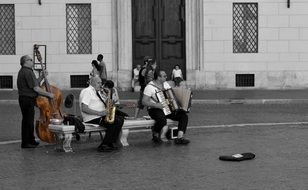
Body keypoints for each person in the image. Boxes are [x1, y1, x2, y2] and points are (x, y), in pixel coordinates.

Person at [142, 70, 190, 145]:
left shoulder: (166, 84)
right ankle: (155, 133)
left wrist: (180, 103)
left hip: (167, 108)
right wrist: (156, 105)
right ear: (158, 77)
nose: (166, 77)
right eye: (164, 76)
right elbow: (144, 102)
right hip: (154, 109)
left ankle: (179, 137)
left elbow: (171, 96)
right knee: (162, 120)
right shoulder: (149, 87)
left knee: (183, 115)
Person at [17, 55, 55, 148]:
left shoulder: (25, 71)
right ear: (25, 61)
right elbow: (36, 88)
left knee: (28, 121)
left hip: (26, 99)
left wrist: (42, 76)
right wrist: (48, 94)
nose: (32, 61)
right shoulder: (27, 72)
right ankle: (26, 143)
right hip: (27, 99)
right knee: (28, 121)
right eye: (31, 60)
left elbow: (35, 83)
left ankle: (31, 140)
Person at [79, 76, 124, 152]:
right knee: (115, 121)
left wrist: (109, 96)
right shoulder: (87, 91)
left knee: (120, 119)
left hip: (99, 116)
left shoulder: (98, 92)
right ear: (92, 83)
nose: (101, 85)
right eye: (98, 83)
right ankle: (104, 144)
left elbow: (106, 104)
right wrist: (100, 113)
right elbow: (84, 108)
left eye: (101, 83)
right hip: (92, 117)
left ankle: (110, 143)